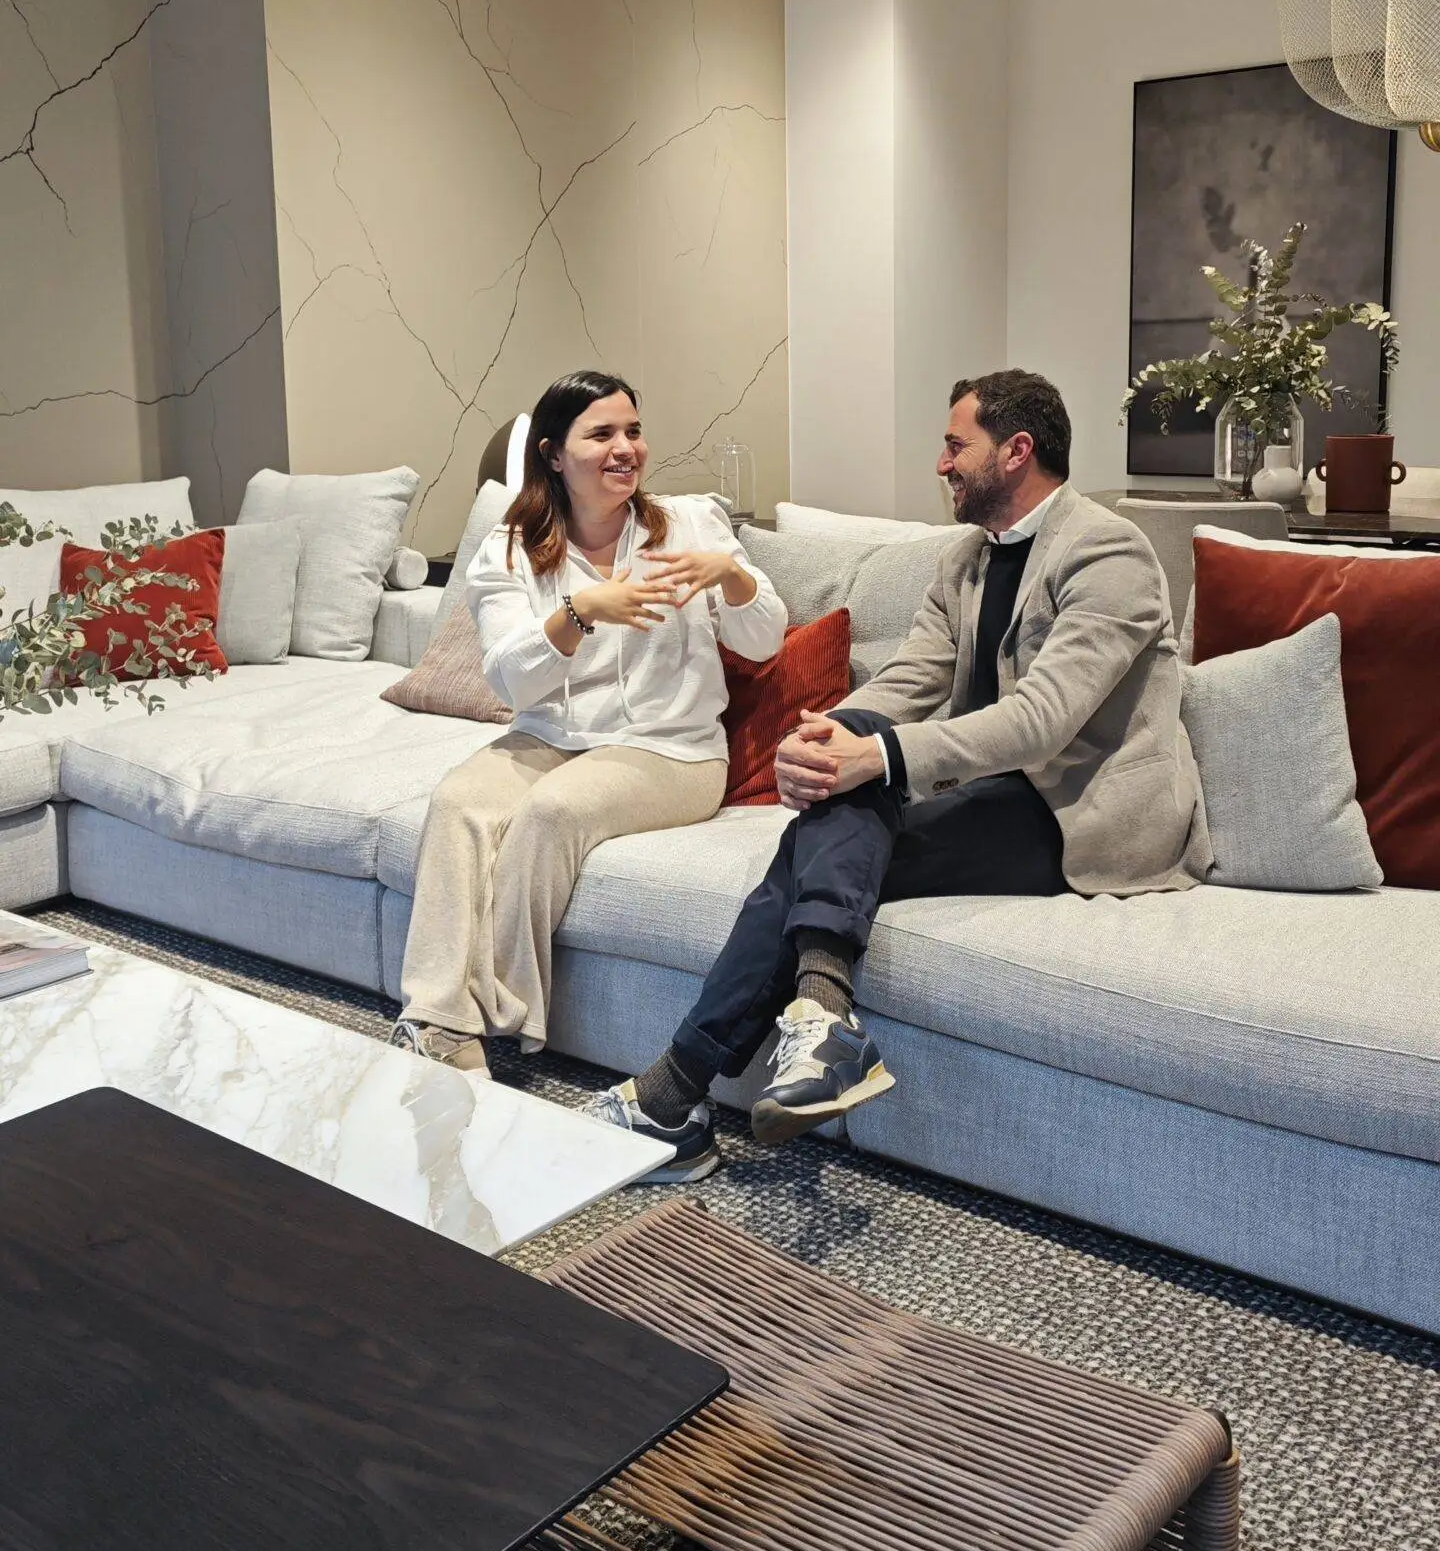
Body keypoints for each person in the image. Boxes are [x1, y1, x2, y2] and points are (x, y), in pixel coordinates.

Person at [596, 368, 1210, 1177]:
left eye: (957, 446)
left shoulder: (1109, 552)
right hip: (992, 791)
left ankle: (680, 1088)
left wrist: (876, 756)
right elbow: (910, 680)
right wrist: (825, 738)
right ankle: (811, 1032)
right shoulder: (965, 560)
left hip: (1082, 810)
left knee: (814, 840)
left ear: (1017, 451)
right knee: (842, 790)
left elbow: (1042, 721)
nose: (942, 464)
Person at [394, 371, 786, 1130]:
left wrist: (733, 577)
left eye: (632, 431)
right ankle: (435, 1022)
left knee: (552, 811)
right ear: (553, 453)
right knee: (460, 800)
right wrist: (579, 611)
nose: (625, 448)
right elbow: (510, 679)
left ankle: (494, 1013)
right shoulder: (511, 550)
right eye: (601, 434)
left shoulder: (690, 522)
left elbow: (764, 639)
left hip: (673, 751)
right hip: (551, 735)